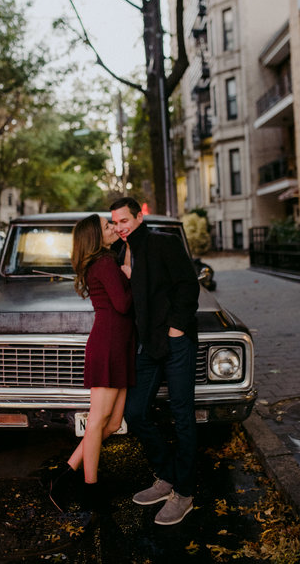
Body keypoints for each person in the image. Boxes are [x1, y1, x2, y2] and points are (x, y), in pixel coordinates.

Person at [110, 197, 200, 526]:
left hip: (176, 341)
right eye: (114, 222)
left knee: (181, 414)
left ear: (138, 217)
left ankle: (185, 492)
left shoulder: (164, 242)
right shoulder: (122, 251)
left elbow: (188, 286)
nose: (120, 227)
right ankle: (167, 476)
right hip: (150, 344)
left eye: (124, 220)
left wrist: (176, 329)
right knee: (135, 412)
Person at [49, 213, 135, 512]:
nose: (113, 228)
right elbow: (123, 305)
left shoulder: (104, 262)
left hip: (119, 345)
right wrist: (130, 277)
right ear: (96, 237)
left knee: (112, 423)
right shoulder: (105, 263)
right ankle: (90, 490)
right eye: (107, 226)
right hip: (109, 346)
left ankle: (64, 474)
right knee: (98, 421)